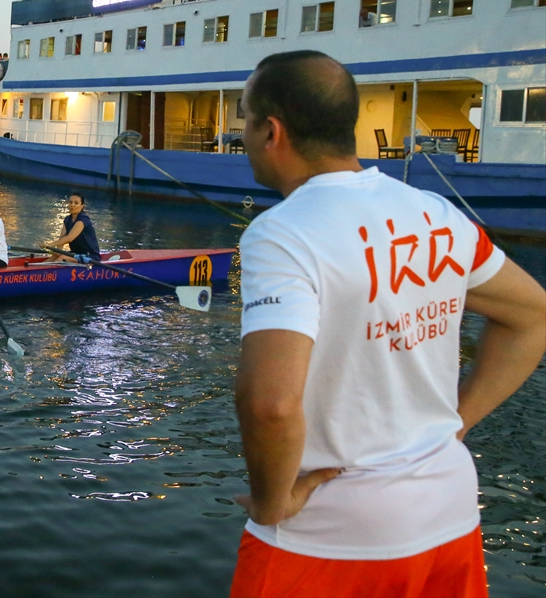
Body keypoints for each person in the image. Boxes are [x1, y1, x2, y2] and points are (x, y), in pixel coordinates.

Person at [230, 50, 545, 597]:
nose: (244, 136)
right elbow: (532, 315)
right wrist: (456, 423)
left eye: (245, 120)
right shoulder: (437, 214)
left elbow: (270, 404)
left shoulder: (282, 233)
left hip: (332, 535)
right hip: (448, 513)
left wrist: (273, 501)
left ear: (271, 131)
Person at [42, 193, 100, 261]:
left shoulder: (83, 220)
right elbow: (62, 237)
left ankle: (48, 271)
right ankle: (37, 269)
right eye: (70, 202)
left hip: (89, 255)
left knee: (62, 258)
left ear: (82, 206)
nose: (72, 205)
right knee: (55, 256)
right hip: (75, 253)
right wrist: (58, 250)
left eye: (76, 203)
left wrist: (49, 244)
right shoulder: (67, 219)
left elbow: (69, 238)